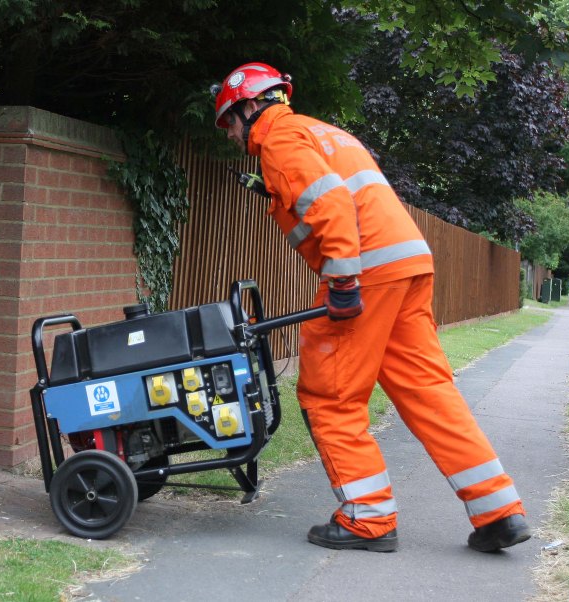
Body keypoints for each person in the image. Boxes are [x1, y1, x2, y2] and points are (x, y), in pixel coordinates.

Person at [211, 62, 531, 553]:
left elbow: (333, 202)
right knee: (428, 391)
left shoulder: (279, 139)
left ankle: (368, 518)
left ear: (251, 106)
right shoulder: (324, 132)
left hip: (366, 270)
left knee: (329, 395)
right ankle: (499, 511)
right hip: (406, 263)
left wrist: (342, 281)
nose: (230, 134)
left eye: (229, 121)